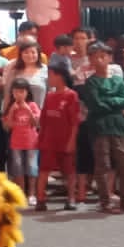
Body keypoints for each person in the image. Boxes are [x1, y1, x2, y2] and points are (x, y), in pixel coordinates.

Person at [80, 42, 124, 213]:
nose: (100, 60)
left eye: (103, 56)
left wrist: (110, 101)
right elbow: (96, 104)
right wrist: (116, 103)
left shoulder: (118, 80)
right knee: (102, 164)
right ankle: (105, 201)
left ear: (110, 58)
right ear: (90, 59)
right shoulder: (90, 82)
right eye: (95, 56)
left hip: (118, 126)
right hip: (99, 126)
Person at [39, 61, 82, 209]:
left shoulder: (71, 95)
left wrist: (72, 141)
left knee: (68, 171)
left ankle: (71, 198)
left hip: (65, 139)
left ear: (60, 76)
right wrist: (42, 138)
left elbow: (75, 121)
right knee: (44, 169)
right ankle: (40, 199)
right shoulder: (49, 95)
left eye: (50, 75)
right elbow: (43, 119)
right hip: (49, 140)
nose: (48, 78)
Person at [4, 82, 41, 206]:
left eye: (21, 92)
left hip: (32, 141)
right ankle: (21, 194)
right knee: (18, 168)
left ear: (27, 92)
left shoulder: (32, 105)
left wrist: (28, 110)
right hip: (16, 142)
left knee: (32, 168)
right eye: (15, 92)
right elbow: (8, 126)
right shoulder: (11, 106)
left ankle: (31, 194)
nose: (18, 95)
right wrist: (11, 112)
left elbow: (36, 124)